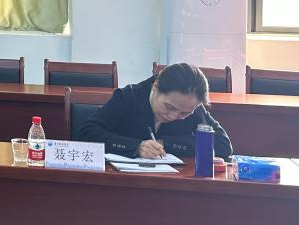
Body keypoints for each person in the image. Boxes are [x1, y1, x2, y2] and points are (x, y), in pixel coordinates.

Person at [79, 62, 233, 159]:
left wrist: (167, 143)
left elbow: (223, 145)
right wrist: (136, 146)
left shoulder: (193, 107)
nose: (173, 116)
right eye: (169, 107)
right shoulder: (128, 97)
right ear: (155, 87)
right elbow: (87, 134)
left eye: (184, 113)